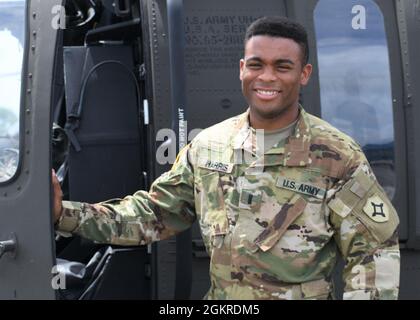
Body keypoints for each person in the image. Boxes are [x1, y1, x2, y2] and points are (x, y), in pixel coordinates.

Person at [52, 16, 400, 300]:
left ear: (303, 74)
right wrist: (62, 214)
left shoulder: (337, 156)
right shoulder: (209, 147)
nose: (267, 77)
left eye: (283, 66)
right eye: (256, 65)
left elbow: (374, 252)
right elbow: (153, 215)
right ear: (241, 69)